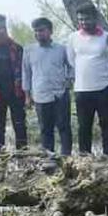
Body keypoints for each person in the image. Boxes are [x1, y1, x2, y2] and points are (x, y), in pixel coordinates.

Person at [67, 3, 108, 156]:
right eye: (80, 20)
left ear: (95, 18)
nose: (84, 23)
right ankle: (85, 155)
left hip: (104, 88)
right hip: (82, 89)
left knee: (106, 124)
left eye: (87, 19)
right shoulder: (73, 38)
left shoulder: (107, 37)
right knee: (84, 125)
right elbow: (71, 60)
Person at [22, 17, 73, 155]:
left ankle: (67, 157)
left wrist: (69, 81)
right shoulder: (29, 51)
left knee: (64, 127)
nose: (38, 34)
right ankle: (49, 159)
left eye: (42, 30)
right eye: (36, 31)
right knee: (45, 129)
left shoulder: (62, 49)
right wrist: (27, 96)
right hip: (40, 95)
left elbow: (71, 67)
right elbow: (26, 74)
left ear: (50, 31)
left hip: (60, 94)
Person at [0, 13, 27, 151]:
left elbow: (25, 71)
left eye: (3, 27)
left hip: (16, 93)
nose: (1, 30)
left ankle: (23, 154)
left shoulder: (17, 47)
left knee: (20, 125)